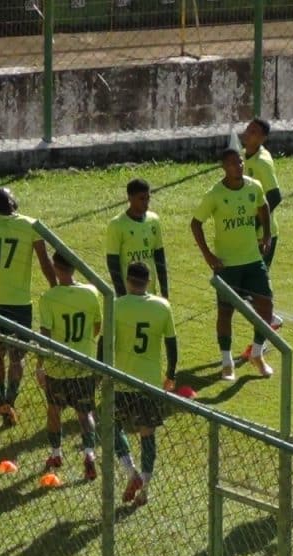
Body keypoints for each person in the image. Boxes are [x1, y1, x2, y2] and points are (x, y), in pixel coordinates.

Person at [0, 187, 56, 426]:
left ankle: (0, 398)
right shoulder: (31, 225)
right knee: (17, 357)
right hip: (20, 304)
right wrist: (55, 286)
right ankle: (10, 402)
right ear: (12, 202)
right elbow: (45, 262)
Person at [191, 148, 275, 381]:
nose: (238, 166)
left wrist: (266, 235)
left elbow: (264, 206)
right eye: (232, 163)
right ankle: (227, 362)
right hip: (227, 265)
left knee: (266, 306)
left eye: (240, 162)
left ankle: (257, 354)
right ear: (223, 167)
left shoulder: (253, 187)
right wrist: (208, 255)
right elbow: (195, 223)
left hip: (253, 260)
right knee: (226, 312)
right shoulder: (215, 194)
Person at [113, 262, 178, 506]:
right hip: (148, 384)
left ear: (128, 281)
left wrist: (100, 371)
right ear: (148, 282)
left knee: (112, 426)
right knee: (147, 435)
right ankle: (145, 490)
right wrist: (171, 373)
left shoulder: (117, 306)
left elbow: (104, 343)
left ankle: (131, 472)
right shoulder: (162, 306)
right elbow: (172, 344)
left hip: (121, 381)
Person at [35, 251, 102, 480]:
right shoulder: (91, 293)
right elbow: (96, 326)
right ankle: (90, 455)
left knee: (54, 410)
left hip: (57, 367)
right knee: (85, 413)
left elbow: (45, 334)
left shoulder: (48, 298)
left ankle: (56, 454)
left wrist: (40, 365)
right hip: (83, 364)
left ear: (55, 268)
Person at [241, 118, 285, 361]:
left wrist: (257, 226)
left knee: (253, 289)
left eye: (254, 132)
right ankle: (272, 321)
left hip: (263, 238)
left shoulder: (262, 163)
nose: (248, 134)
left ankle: (263, 342)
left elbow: (275, 196)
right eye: (248, 129)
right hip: (247, 237)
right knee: (244, 290)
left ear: (263, 138)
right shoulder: (244, 157)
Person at [106, 178, 169, 299]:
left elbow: (159, 257)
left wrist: (165, 292)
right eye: (141, 199)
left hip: (150, 293)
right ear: (130, 198)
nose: (146, 203)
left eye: (148, 198)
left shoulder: (154, 221)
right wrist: (121, 295)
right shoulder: (117, 225)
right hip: (129, 293)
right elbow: (112, 262)